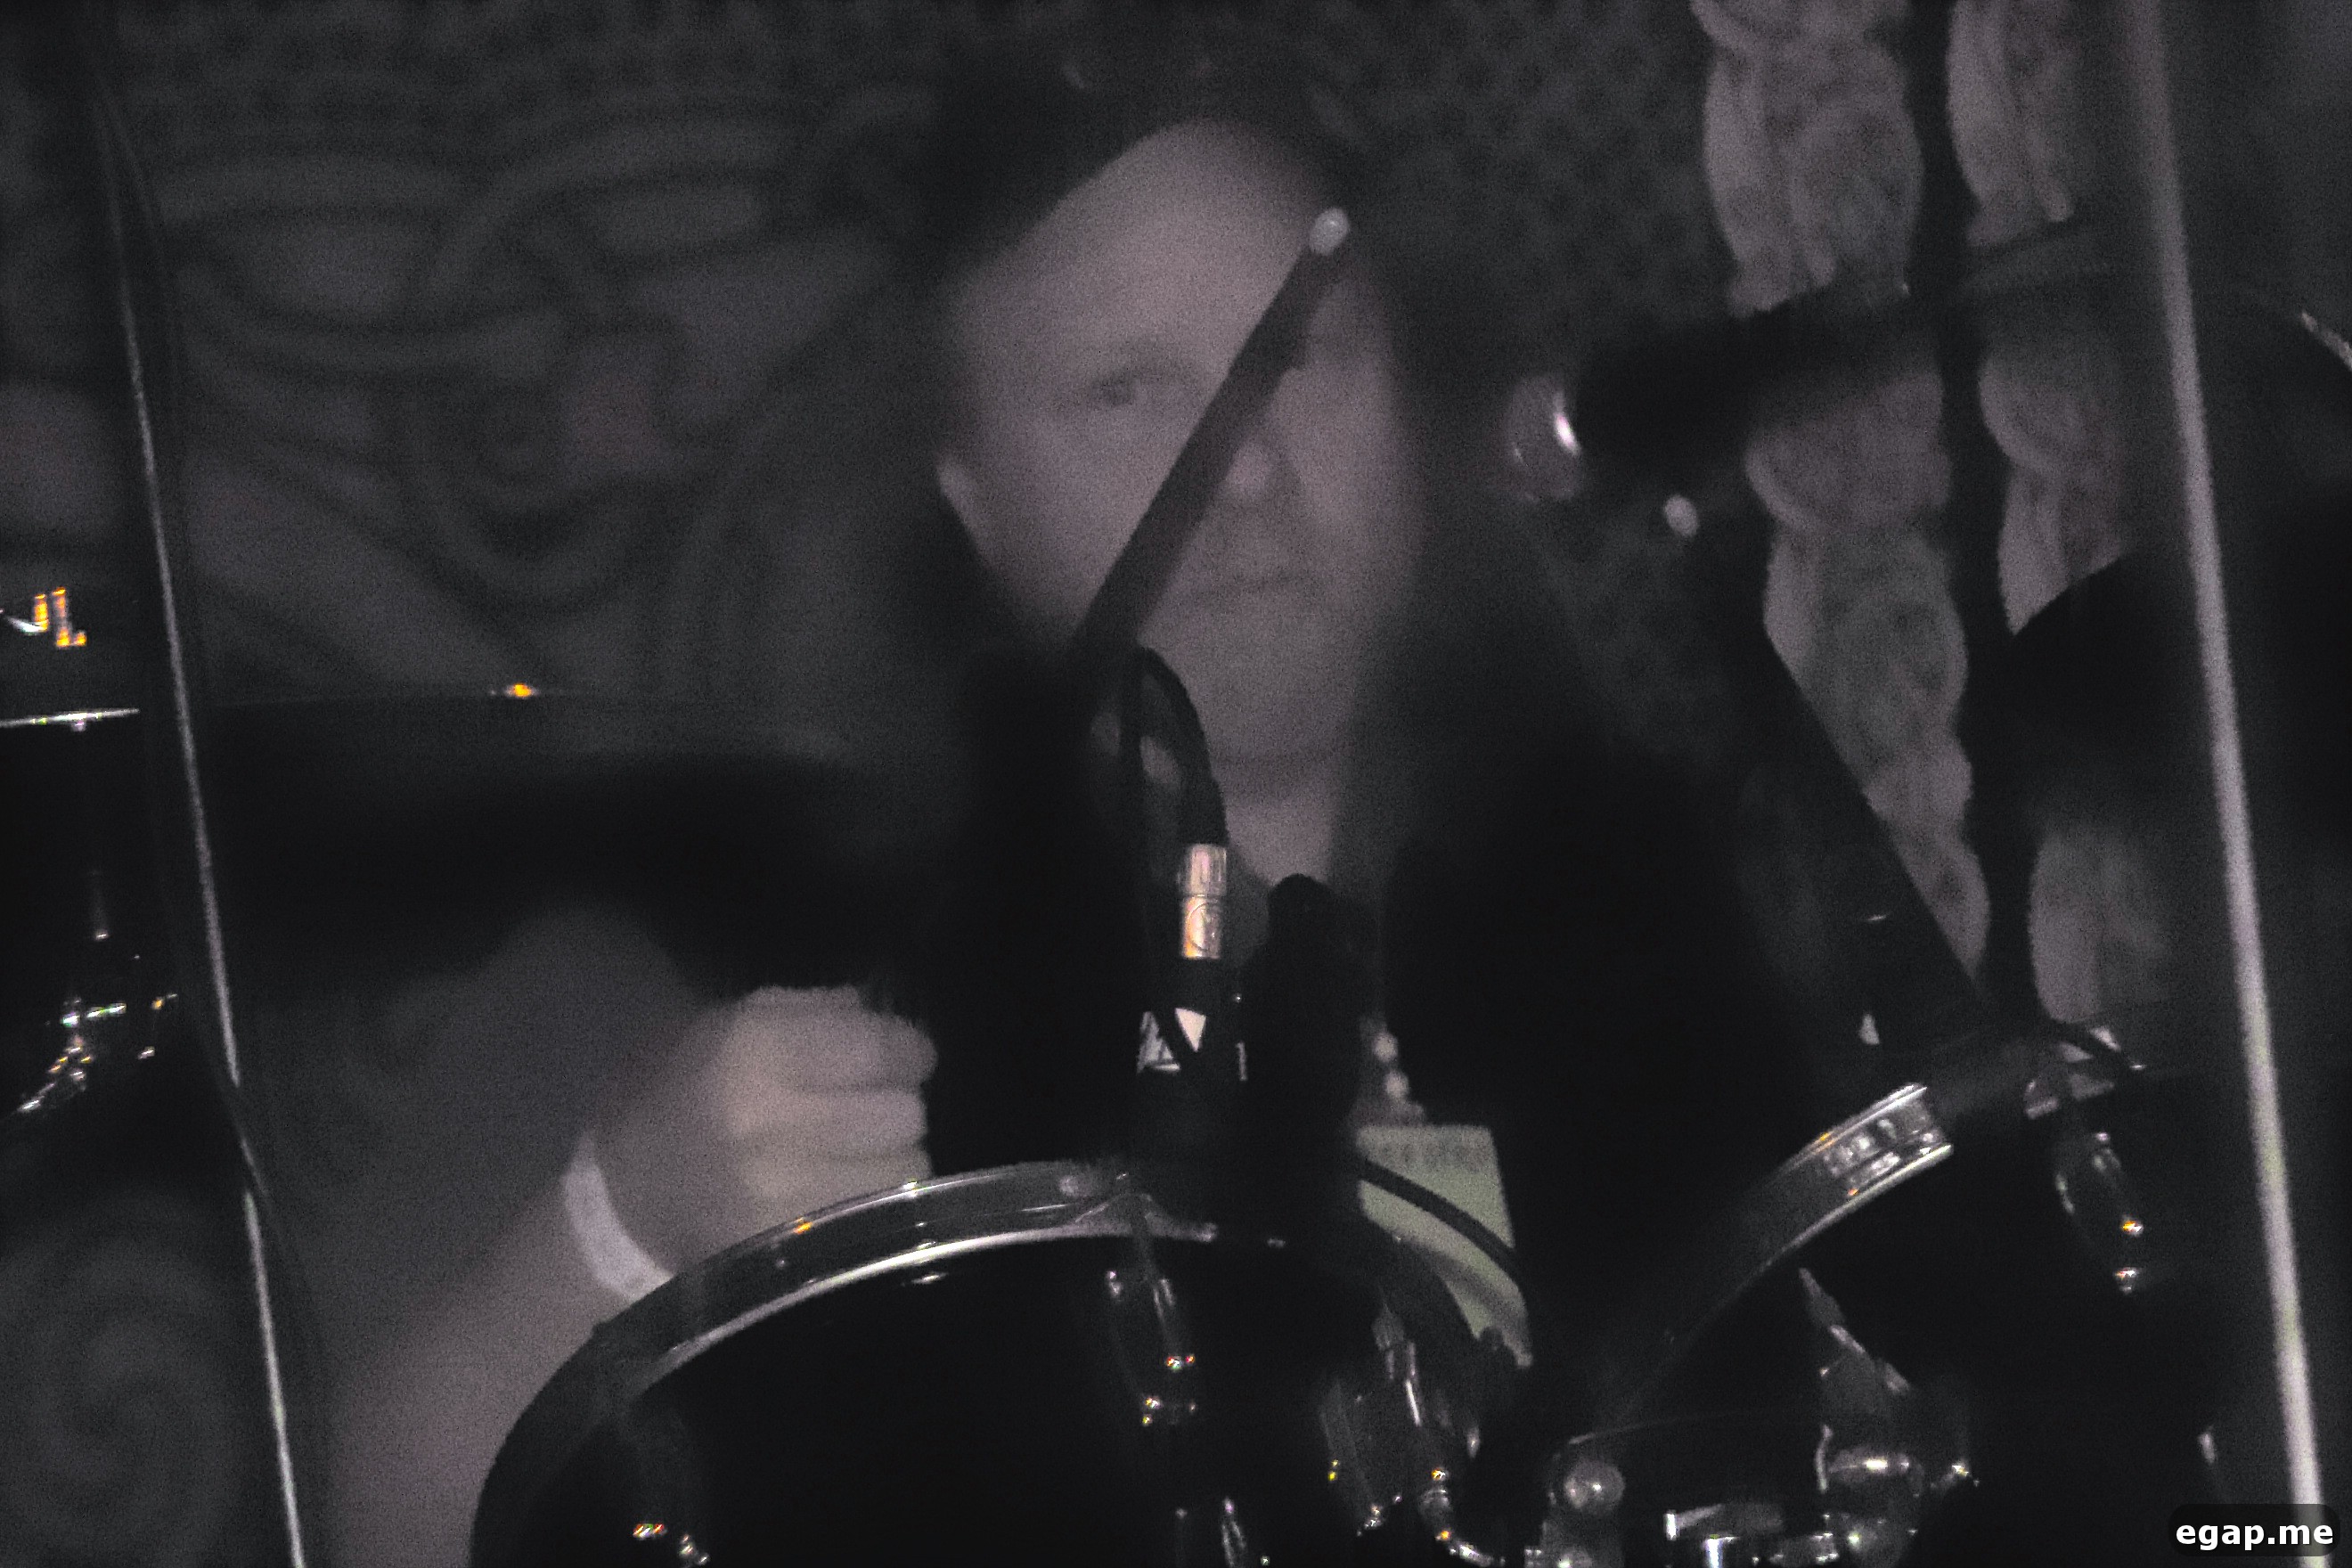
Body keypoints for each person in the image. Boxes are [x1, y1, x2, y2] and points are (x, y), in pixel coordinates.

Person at [326, 23, 1797, 1564]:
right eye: (1126, 391)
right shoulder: (715, 943)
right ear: (974, 499)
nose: (1246, 473)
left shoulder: (1638, 884)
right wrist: (617, 1223)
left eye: (1298, 360)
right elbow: (358, 1527)